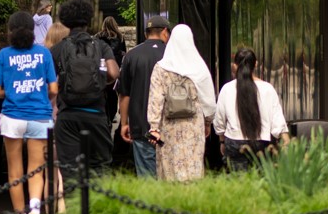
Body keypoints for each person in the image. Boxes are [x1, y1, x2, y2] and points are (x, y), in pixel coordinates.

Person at [0, 10, 58, 214]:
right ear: (32, 29)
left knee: (14, 169)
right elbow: (54, 89)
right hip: (40, 116)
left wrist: (12, 92)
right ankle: (35, 210)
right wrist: (40, 95)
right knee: (36, 168)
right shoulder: (44, 53)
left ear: (10, 30)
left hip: (12, 117)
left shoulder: (4, 55)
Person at [52, 0, 120, 176]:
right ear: (88, 20)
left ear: (65, 21)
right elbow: (113, 73)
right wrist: (98, 81)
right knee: (100, 166)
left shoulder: (58, 49)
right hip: (96, 114)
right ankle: (97, 203)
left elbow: (49, 84)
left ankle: (74, 203)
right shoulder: (100, 46)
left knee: (70, 170)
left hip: (67, 115)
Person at [146, 25, 217, 182]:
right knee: (192, 168)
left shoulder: (161, 68)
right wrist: (207, 123)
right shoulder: (199, 67)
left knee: (170, 169)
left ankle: (171, 203)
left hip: (168, 127)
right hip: (193, 126)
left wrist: (154, 127)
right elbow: (209, 100)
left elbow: (155, 99)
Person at [214, 47, 289, 170]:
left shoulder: (227, 89)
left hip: (234, 143)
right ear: (256, 64)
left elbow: (219, 122)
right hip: (262, 144)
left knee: (236, 184)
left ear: (234, 66)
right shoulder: (268, 89)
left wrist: (222, 142)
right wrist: (286, 141)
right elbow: (277, 120)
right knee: (260, 183)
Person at [116, 16, 171, 178]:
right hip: (169, 124)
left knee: (147, 178)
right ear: (165, 32)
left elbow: (124, 93)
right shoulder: (171, 54)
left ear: (146, 33)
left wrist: (124, 123)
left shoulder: (131, 56)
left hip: (141, 125)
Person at [96, 15, 127, 122]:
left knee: (103, 91)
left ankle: (105, 113)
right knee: (114, 93)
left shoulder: (98, 37)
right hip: (115, 67)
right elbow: (124, 53)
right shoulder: (120, 37)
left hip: (102, 67)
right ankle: (113, 114)